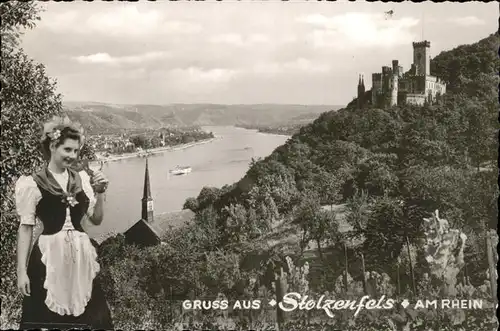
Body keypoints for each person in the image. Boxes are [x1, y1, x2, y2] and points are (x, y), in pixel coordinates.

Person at [15, 116, 114, 330]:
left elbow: (96, 220)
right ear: (52, 146)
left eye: (76, 151)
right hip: (48, 258)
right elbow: (25, 228)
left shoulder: (82, 180)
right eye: (67, 150)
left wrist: (100, 194)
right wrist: (21, 271)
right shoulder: (32, 183)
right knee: (48, 318)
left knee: (91, 316)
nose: (73, 156)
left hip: (80, 260)